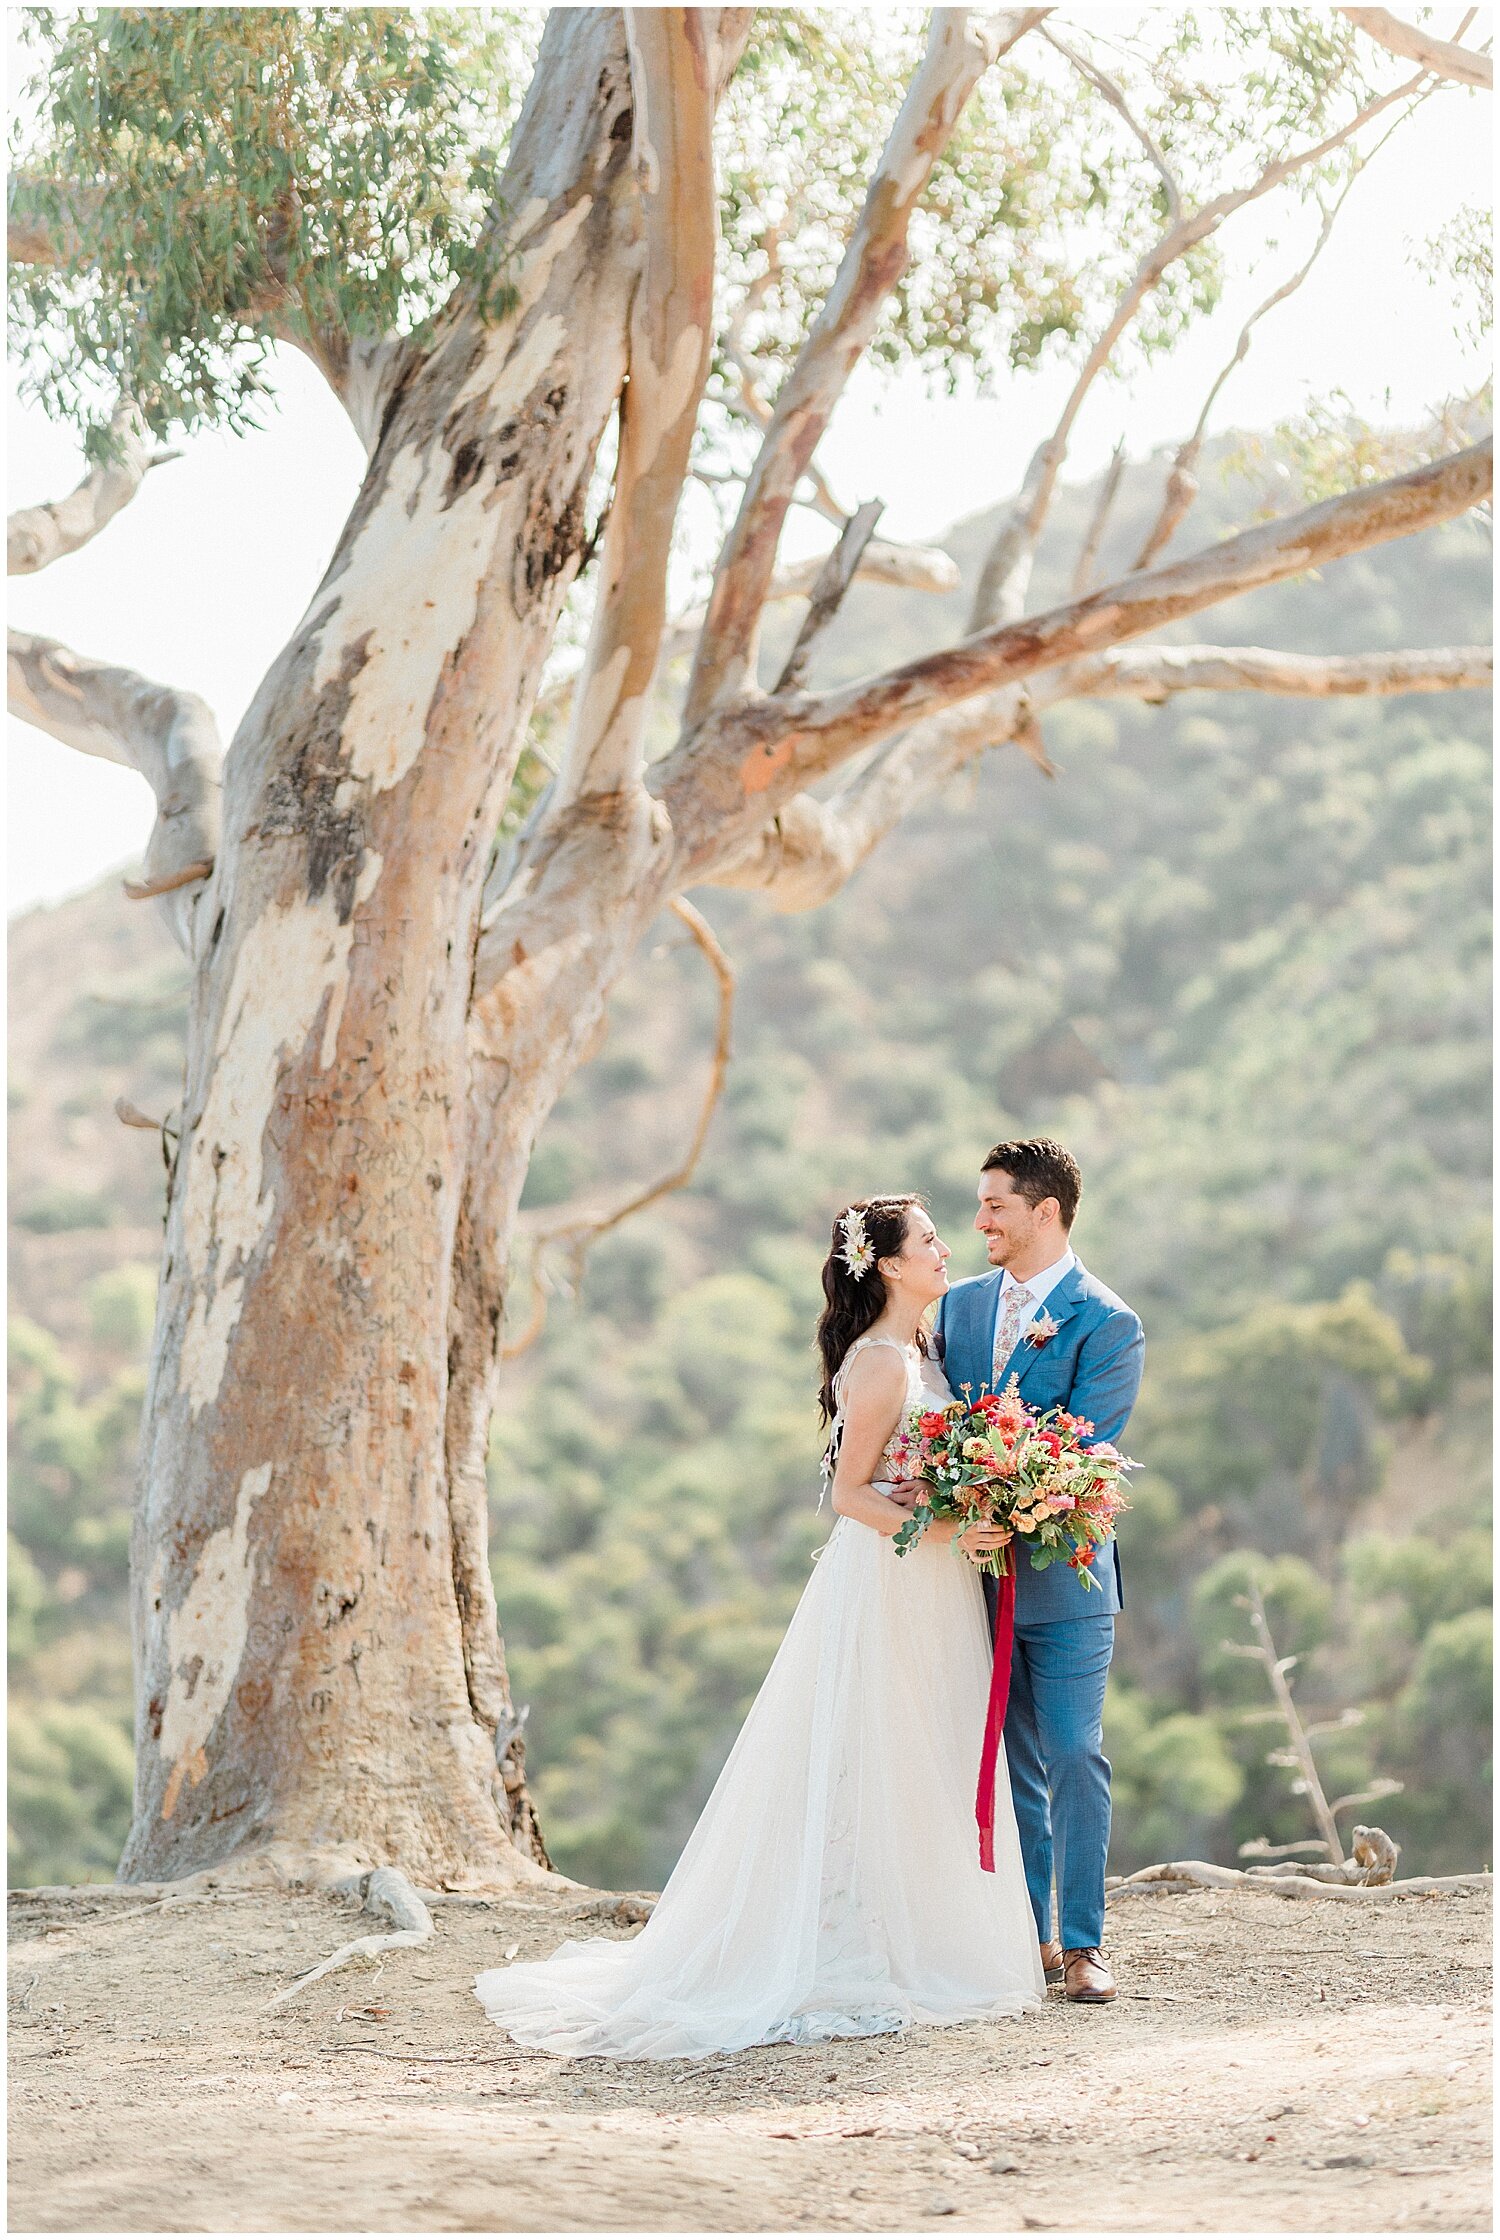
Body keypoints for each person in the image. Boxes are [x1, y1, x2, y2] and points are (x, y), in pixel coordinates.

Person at [473, 1194, 1045, 2059]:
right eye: (927, 1240)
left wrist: (975, 1499)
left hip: (934, 1578)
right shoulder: (882, 1363)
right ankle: (854, 1944)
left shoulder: (922, 1349)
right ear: (888, 1264)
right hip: (893, 1580)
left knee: (928, 1748)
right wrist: (951, 1526)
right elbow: (851, 1497)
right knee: (874, 1755)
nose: (943, 1249)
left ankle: (925, 1933)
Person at [922, 1138, 1144, 2007]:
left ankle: (1086, 1943)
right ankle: (1025, 1938)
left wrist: (998, 1493)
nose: (978, 1222)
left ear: (1044, 1212)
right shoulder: (959, 1309)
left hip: (1068, 1581)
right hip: (967, 1580)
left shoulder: (1107, 1321)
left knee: (1074, 1752)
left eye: (995, 1207)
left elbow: (1081, 1450)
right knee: (1006, 1758)